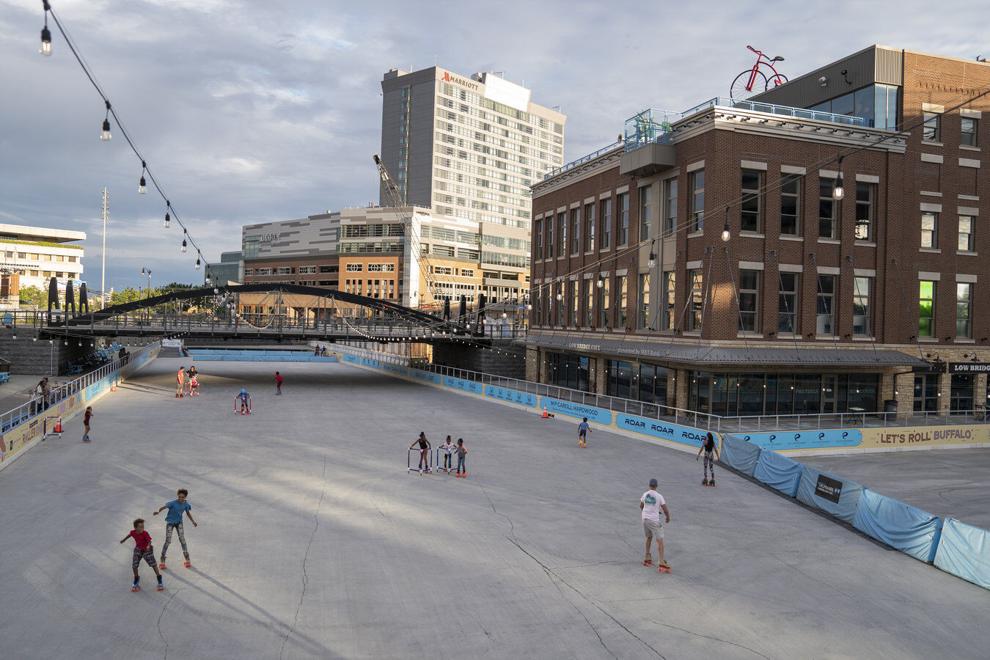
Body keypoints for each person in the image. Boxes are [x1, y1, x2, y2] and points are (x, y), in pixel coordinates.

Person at [154, 488, 198, 569]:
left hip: (179, 523)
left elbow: (188, 513)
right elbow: (163, 507)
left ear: (185, 497)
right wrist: (158, 511)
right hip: (170, 523)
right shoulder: (173, 503)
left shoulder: (186, 504)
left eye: (182, 497)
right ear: (177, 496)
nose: (181, 498)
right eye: (179, 497)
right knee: (168, 541)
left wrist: (193, 521)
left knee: (182, 539)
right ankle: (162, 560)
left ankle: (187, 559)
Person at [119, 518, 164, 592]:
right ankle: (136, 579)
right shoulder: (133, 532)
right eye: (140, 527)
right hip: (138, 549)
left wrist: (148, 546)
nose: (142, 528)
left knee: (153, 564)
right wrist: (124, 540)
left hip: (147, 550)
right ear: (135, 527)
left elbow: (149, 541)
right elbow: (129, 535)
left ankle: (159, 579)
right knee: (134, 565)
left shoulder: (145, 533)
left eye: (143, 526)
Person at [640, 478, 671, 572]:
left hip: (645, 519)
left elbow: (641, 506)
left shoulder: (645, 494)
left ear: (649, 485)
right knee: (660, 540)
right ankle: (661, 562)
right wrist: (667, 517)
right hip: (654, 521)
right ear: (656, 486)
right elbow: (665, 509)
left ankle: (647, 556)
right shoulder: (659, 496)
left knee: (649, 537)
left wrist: (648, 511)